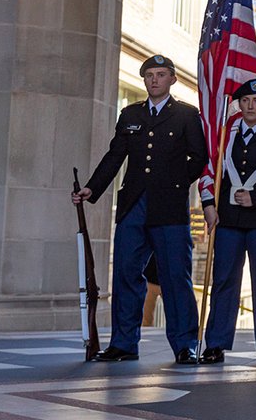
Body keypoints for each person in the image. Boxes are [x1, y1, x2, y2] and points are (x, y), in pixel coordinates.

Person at [71, 54, 206, 364]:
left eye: (160, 74)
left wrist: (174, 183)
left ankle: (185, 344)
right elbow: (115, 155)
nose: (154, 80)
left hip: (169, 208)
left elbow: (198, 158)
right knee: (127, 275)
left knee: (175, 277)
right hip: (134, 206)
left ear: (172, 79)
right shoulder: (130, 114)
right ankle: (124, 343)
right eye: (149, 75)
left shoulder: (186, 116)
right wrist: (92, 188)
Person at [199, 78, 256, 366]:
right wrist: (208, 205)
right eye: (245, 101)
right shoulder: (226, 135)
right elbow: (214, 172)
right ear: (239, 104)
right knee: (224, 280)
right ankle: (215, 343)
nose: (250, 106)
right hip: (229, 218)